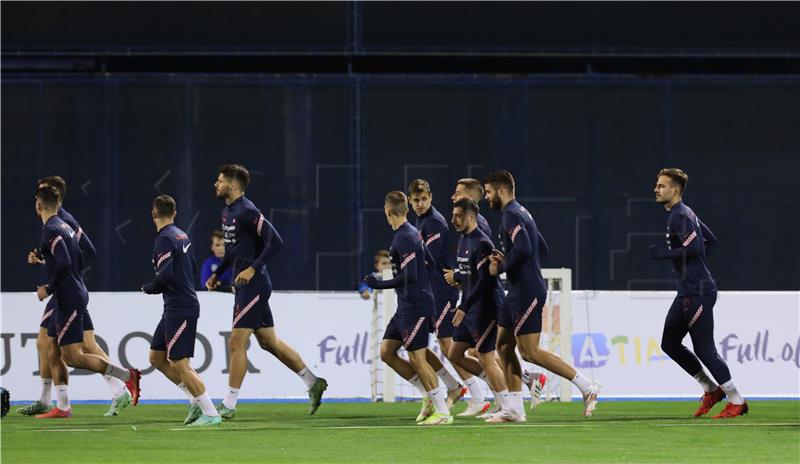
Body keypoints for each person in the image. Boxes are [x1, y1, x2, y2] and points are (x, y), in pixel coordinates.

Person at [205, 164, 327, 418]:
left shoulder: (248, 211)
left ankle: (228, 405)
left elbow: (276, 241)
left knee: (236, 342)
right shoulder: (227, 212)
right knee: (269, 342)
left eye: (220, 180)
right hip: (244, 286)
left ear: (233, 184)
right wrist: (218, 273)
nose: (215, 184)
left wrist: (252, 269)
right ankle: (313, 382)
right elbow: (232, 251)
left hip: (255, 285)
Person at [484, 170, 598, 421]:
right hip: (517, 288)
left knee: (529, 352)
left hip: (526, 290)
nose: (487, 197)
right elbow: (540, 246)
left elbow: (524, 248)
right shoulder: (522, 212)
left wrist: (502, 266)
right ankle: (513, 409)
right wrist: (514, 261)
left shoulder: (510, 214)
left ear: (502, 191)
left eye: (489, 192)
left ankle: (587, 387)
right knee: (503, 345)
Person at [18, 176, 132, 418]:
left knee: (72, 352)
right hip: (68, 290)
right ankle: (56, 402)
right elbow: (62, 257)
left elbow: (84, 254)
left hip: (67, 291)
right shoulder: (58, 223)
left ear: (50, 198)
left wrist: (58, 281)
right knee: (49, 344)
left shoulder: (61, 222)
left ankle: (122, 380)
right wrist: (44, 259)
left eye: (40, 193)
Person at [650, 168, 747, 419]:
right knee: (669, 343)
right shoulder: (685, 213)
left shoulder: (679, 215)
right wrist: (692, 269)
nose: (657, 189)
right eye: (657, 185)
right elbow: (709, 241)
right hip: (688, 290)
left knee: (705, 349)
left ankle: (737, 399)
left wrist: (665, 255)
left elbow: (694, 248)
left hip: (698, 292)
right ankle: (711, 390)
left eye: (662, 186)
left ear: (676, 190)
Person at [451, 177, 548, 412]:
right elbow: (540, 247)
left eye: (458, 193)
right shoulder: (465, 233)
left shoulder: (484, 228)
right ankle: (521, 383)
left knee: (498, 353)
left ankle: (507, 403)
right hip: (474, 302)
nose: (454, 197)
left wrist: (504, 266)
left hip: (487, 303)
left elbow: (486, 275)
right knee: (461, 352)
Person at [365, 191, 453, 425]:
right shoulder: (410, 234)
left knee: (417, 357)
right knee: (387, 352)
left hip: (415, 305)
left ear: (387, 212)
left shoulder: (405, 237)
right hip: (407, 305)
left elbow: (411, 275)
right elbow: (430, 263)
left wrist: (379, 284)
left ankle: (443, 411)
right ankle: (428, 396)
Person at [142, 195, 222, 427]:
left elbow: (164, 275)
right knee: (156, 357)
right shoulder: (181, 235)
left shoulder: (164, 239)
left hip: (180, 307)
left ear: (153, 214)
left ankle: (211, 412)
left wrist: (150, 288)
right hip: (175, 306)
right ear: (174, 213)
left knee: (179, 364)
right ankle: (194, 400)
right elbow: (193, 266)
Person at [407, 179, 470, 420]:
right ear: (411, 202)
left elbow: (426, 259)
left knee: (449, 345)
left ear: (431, 198)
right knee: (429, 345)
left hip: (442, 290)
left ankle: (474, 394)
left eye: (424, 199)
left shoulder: (434, 222)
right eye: (416, 200)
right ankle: (457, 387)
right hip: (431, 291)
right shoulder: (420, 220)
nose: (420, 204)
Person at [444, 199, 507, 419]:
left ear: (471, 217)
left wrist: (464, 306)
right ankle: (499, 391)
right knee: (454, 353)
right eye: (453, 215)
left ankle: (507, 405)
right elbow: (469, 277)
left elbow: (485, 281)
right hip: (470, 307)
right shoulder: (462, 240)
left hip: (485, 307)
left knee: (485, 356)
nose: (453, 220)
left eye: (458, 215)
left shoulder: (482, 242)